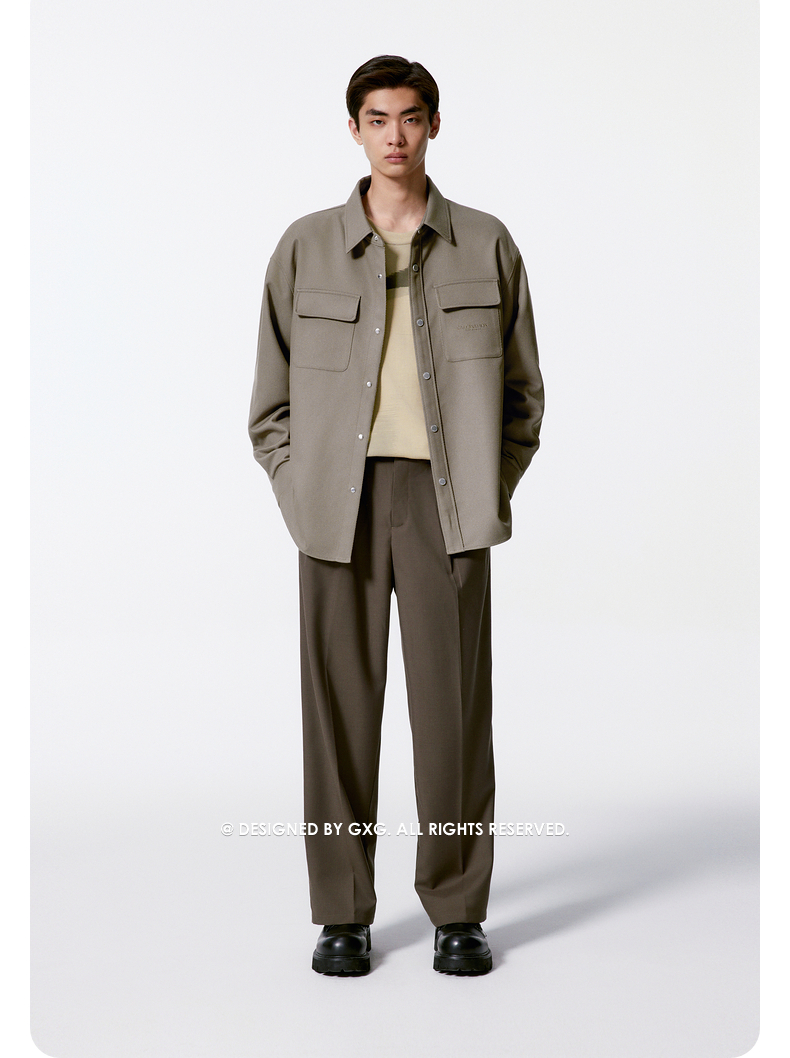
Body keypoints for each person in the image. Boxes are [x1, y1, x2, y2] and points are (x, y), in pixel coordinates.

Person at [248, 55, 544, 976]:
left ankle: (457, 909)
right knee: (337, 716)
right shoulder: (305, 248)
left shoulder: (486, 244)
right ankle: (342, 913)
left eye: (410, 117)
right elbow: (269, 408)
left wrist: (484, 490)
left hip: (447, 508)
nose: (395, 136)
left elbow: (524, 400)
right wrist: (301, 492)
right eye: (377, 119)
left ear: (434, 125)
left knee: (452, 717)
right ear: (354, 130)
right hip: (335, 509)